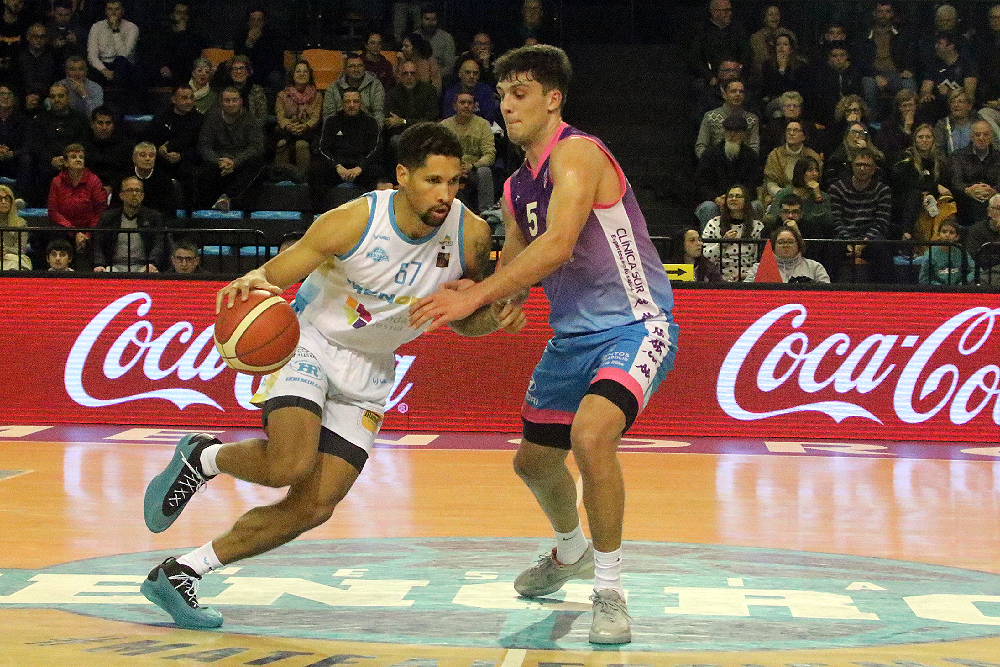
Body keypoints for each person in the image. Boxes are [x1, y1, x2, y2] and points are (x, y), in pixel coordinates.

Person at [140, 121, 526, 630]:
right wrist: (251, 280)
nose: (445, 194)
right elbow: (277, 272)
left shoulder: (469, 233)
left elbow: (465, 318)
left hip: (371, 368)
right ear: (403, 176)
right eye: (433, 181)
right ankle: (203, 457)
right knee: (289, 463)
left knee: (316, 505)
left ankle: (181, 572)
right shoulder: (355, 220)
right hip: (310, 343)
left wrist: (491, 317)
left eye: (454, 181)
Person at [408, 45, 679, 645]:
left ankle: (609, 590)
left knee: (591, 437)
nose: (507, 106)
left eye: (520, 93)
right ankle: (569, 550)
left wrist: (477, 298)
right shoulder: (514, 188)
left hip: (635, 326)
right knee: (532, 462)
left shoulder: (578, 153)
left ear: (553, 99)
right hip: (571, 338)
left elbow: (557, 244)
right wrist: (482, 302)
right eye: (502, 95)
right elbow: (517, 276)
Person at [309, 88, 381, 212]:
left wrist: (360, 167)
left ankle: (373, 215)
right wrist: (337, 166)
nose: (351, 105)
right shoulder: (331, 122)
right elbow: (323, 148)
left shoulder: (371, 122)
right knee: (315, 171)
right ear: (342, 104)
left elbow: (375, 149)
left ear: (361, 103)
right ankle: (320, 214)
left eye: (355, 101)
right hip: (337, 167)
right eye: (348, 102)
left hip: (361, 168)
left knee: (378, 172)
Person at [828, 148, 894, 282]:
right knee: (831, 248)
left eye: (867, 165)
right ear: (852, 166)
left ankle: (883, 291)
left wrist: (863, 243)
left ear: (874, 169)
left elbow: (881, 222)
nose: (862, 168)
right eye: (858, 164)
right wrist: (850, 243)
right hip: (844, 238)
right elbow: (836, 220)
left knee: (882, 249)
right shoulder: (837, 188)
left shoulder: (882, 190)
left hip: (870, 239)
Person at [196, 86, 266, 211]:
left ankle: (227, 197)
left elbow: (256, 147)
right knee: (204, 168)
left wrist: (235, 162)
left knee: (258, 162)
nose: (231, 104)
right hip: (218, 160)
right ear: (221, 102)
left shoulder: (250, 119)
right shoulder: (212, 118)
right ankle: (205, 209)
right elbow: (204, 145)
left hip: (240, 160)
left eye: (234, 100)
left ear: (241, 101)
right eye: (227, 100)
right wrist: (219, 161)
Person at [693, 110, 760, 229]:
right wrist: (716, 198)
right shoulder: (710, 154)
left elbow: (752, 184)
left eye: (737, 132)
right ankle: (709, 240)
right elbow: (700, 184)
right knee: (708, 207)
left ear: (744, 134)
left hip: (742, 201)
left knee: (755, 206)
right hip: (715, 201)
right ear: (724, 132)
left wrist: (737, 198)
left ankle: (750, 239)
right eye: (729, 131)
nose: (732, 135)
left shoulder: (751, 157)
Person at [891, 123, 955, 245]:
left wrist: (933, 191)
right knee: (915, 194)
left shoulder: (940, 160)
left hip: (934, 199)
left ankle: (942, 236)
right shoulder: (906, 158)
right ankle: (907, 234)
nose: (924, 140)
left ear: (933, 140)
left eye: (928, 137)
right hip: (908, 199)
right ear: (915, 140)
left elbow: (946, 184)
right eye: (920, 137)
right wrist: (934, 187)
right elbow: (907, 182)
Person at [853, 1, 917, 121]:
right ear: (874, 13)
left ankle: (910, 121)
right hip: (873, 75)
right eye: (880, 12)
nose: (883, 15)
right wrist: (875, 75)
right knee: (868, 85)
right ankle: (871, 123)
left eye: (887, 12)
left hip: (896, 74)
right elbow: (860, 61)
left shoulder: (901, 34)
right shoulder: (864, 35)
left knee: (909, 84)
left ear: (892, 14)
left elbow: (911, 54)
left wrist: (909, 69)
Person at [47, 142, 106, 264]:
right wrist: (74, 232)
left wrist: (87, 234)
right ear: (65, 163)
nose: (78, 160)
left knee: (101, 232)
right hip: (65, 229)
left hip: (90, 228)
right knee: (53, 233)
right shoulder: (57, 181)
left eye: (81, 157)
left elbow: (100, 210)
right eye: (73, 157)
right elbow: (53, 211)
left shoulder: (94, 181)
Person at [92, 175, 166, 272]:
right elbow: (98, 244)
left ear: (142, 195)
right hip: (114, 266)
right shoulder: (109, 217)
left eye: (138, 190)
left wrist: (153, 263)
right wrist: (99, 264)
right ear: (121, 195)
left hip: (144, 267)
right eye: (130, 190)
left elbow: (158, 244)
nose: (134, 194)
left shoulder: (153, 217)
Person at [441, 91, 496, 213]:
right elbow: (438, 153)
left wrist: (472, 166)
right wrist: (455, 168)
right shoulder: (444, 126)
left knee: (485, 171)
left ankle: (487, 213)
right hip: (450, 168)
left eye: (469, 103)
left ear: (474, 106)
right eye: (462, 102)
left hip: (474, 169)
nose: (466, 106)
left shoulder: (483, 125)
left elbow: (489, 154)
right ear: (454, 106)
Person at [702, 183, 765, 282]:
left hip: (748, 277)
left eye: (738, 196)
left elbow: (762, 260)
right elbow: (706, 256)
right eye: (730, 196)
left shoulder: (757, 227)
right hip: (718, 277)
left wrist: (747, 275)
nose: (733, 199)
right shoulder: (714, 223)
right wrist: (723, 243)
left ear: (746, 201)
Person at [86, 0, 141, 113]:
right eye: (110, 9)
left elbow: (124, 55)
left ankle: (118, 106)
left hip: (125, 66)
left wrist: (115, 30)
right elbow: (92, 55)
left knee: (120, 61)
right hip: (103, 65)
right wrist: (103, 70)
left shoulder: (132, 28)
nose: (113, 12)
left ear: (122, 11)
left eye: (117, 9)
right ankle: (94, 111)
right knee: (89, 69)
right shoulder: (96, 27)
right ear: (106, 11)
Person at [273, 59, 322, 183]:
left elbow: (315, 117)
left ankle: (303, 180)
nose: (302, 74)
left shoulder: (317, 96)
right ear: (292, 75)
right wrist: (289, 126)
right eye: (298, 71)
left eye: (305, 71)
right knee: (282, 143)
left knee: (301, 145)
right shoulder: (282, 95)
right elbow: (280, 116)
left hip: (309, 133)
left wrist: (305, 126)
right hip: (286, 132)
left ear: (309, 75)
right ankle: (280, 180)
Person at [918, 32, 978, 124]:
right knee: (926, 106)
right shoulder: (934, 64)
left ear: (951, 46)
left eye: (939, 43)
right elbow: (925, 88)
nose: (936, 46)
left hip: (959, 104)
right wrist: (926, 94)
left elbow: (969, 94)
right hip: (941, 105)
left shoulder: (967, 64)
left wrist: (951, 92)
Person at [950, 119, 1000, 226]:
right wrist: (968, 190)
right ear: (971, 137)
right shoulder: (958, 156)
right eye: (977, 135)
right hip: (966, 202)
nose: (981, 138)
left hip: (994, 200)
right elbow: (955, 181)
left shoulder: (998, 156)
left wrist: (993, 191)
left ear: (991, 137)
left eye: (986, 134)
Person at [744, 225, 831, 283]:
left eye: (790, 242)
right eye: (781, 242)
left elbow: (827, 294)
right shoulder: (758, 268)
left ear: (798, 244)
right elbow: (746, 293)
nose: (785, 245)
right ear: (773, 246)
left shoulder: (815, 267)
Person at [695, 79, 760, 157]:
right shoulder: (710, 117)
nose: (738, 94)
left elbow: (754, 147)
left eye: (741, 92)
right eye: (733, 91)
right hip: (715, 160)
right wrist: (708, 161)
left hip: (743, 161)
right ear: (724, 95)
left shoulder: (752, 119)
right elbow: (701, 146)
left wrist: (749, 161)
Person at [322, 51, 385, 128]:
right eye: (352, 66)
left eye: (360, 66)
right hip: (341, 129)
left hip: (367, 129)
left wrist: (374, 131)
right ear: (345, 69)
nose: (356, 69)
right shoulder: (334, 87)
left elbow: (379, 113)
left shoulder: (375, 85)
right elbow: (328, 116)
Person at [762, 119, 822, 200]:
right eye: (788, 130)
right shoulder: (775, 155)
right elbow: (770, 182)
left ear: (804, 136)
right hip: (779, 196)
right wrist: (783, 195)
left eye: (796, 130)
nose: (791, 133)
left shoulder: (812, 156)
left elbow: (815, 180)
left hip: (806, 196)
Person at [85, 106, 132, 191]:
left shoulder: (125, 146)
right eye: (100, 123)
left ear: (113, 125)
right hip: (88, 190)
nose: (104, 127)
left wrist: (112, 187)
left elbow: (126, 172)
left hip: (118, 190)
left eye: (108, 123)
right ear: (92, 124)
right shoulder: (83, 146)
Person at [441, 56, 499, 125]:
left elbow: (489, 118)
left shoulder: (486, 91)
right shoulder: (450, 93)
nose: (471, 76)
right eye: (467, 72)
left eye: (475, 73)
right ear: (460, 74)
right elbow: (448, 118)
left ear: (478, 76)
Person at [15, 22, 57, 114]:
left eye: (42, 36)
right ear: (28, 37)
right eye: (35, 36)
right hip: (23, 98)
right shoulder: (18, 56)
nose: (39, 39)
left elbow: (56, 81)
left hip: (47, 97)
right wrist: (25, 97)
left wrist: (42, 96)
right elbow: (15, 81)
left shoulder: (54, 56)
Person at [918, 217, 974, 285]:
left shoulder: (961, 250)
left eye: (951, 233)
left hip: (958, 288)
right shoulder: (930, 252)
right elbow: (923, 279)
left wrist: (963, 283)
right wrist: (940, 287)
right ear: (938, 234)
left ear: (957, 237)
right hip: (937, 289)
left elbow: (976, 270)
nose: (947, 235)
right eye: (944, 232)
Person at [0, 83, 31, 200]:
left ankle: (19, 198)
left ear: (14, 99)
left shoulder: (23, 120)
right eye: (2, 94)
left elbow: (28, 144)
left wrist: (13, 153)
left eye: (9, 94)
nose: (5, 97)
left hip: (14, 160)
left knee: (27, 159)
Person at [219, 55, 268, 121]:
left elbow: (261, 117)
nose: (238, 72)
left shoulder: (257, 90)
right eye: (235, 69)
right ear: (230, 72)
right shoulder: (224, 90)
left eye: (242, 68)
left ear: (248, 71)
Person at [966, 193, 1000, 283]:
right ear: (989, 211)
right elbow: (977, 257)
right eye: (998, 209)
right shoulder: (977, 230)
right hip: (986, 273)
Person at [933, 88, 975, 155]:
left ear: (969, 106)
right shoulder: (943, 124)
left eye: (960, 101)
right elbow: (939, 151)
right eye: (953, 102)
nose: (956, 105)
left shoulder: (977, 123)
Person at [416, 5, 455, 76]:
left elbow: (450, 66)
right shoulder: (414, 37)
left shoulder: (447, 38)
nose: (430, 23)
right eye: (427, 19)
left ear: (437, 20)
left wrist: (435, 75)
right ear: (421, 20)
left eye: (433, 20)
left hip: (440, 77)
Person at [0, 183, 30, 270]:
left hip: (13, 257)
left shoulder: (21, 223)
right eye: (0, 199)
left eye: (7, 199)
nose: (4, 202)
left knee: (15, 262)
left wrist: (3, 250)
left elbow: (21, 249)